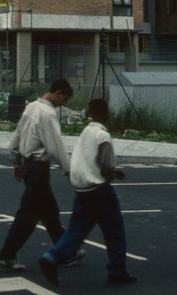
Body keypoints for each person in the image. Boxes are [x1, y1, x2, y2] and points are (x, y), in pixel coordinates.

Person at [38, 98, 136, 287]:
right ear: (106, 114)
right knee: (114, 231)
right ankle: (117, 271)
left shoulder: (85, 132)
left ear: (90, 113)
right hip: (100, 191)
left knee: (76, 230)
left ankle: (52, 256)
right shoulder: (103, 136)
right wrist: (115, 172)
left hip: (82, 191)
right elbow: (105, 164)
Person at [0, 77, 81, 272]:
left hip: (28, 165)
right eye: (65, 99)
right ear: (58, 92)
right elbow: (56, 147)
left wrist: (16, 162)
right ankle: (6, 255)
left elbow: (16, 137)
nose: (64, 104)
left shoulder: (31, 107)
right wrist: (69, 171)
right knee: (28, 215)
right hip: (38, 168)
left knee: (50, 213)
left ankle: (66, 252)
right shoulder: (48, 114)